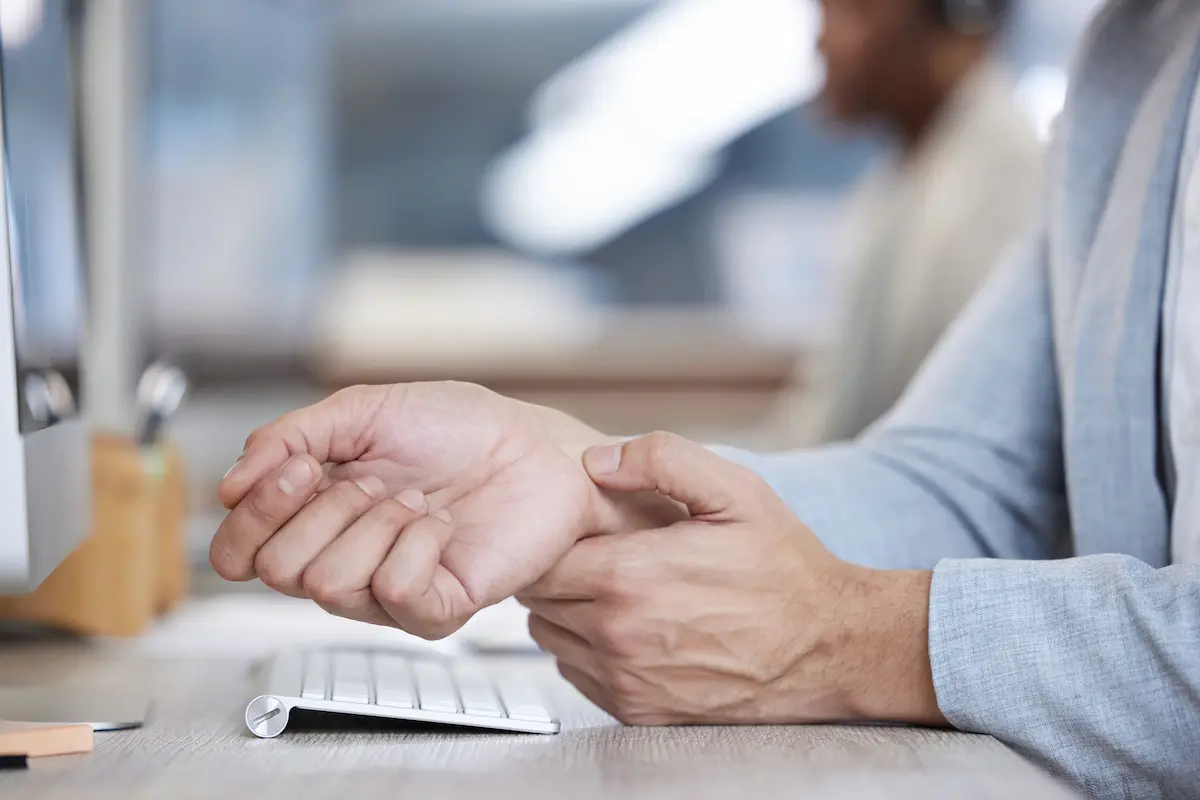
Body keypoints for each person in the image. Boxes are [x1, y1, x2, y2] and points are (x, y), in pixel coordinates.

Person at [210, 0, 1198, 796]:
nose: (817, 34)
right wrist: (584, 482)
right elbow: (976, 485)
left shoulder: (1006, 159)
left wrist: (845, 633)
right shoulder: (1137, 58)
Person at [781, 0, 1042, 445]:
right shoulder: (899, 181)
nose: (822, 39)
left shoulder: (1009, 189)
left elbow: (961, 442)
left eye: (852, 11)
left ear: (958, 14)